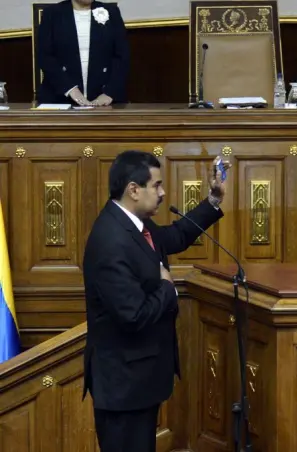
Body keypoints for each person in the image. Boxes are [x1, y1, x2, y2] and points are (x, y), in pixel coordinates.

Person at [82, 151, 230, 451]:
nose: (162, 193)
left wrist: (213, 199)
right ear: (133, 190)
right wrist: (167, 288)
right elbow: (132, 315)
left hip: (138, 382)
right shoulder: (111, 240)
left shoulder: (136, 225)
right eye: (157, 185)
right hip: (123, 388)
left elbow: (177, 235)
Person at [36, 0, 129, 106]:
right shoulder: (52, 13)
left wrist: (110, 92)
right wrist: (70, 89)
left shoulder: (111, 12)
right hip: (60, 97)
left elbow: (122, 56)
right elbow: (45, 57)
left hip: (105, 98)